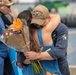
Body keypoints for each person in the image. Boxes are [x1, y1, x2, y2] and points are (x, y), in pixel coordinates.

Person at [24, 5, 70, 75]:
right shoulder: (32, 28)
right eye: (36, 22)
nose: (38, 25)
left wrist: (37, 55)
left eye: (41, 22)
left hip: (59, 67)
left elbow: (60, 51)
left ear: (49, 18)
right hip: (40, 69)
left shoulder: (61, 28)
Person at [0, 1, 15, 75]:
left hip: (4, 54)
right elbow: (3, 37)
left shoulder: (2, 17)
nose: (9, 9)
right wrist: (11, 29)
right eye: (8, 6)